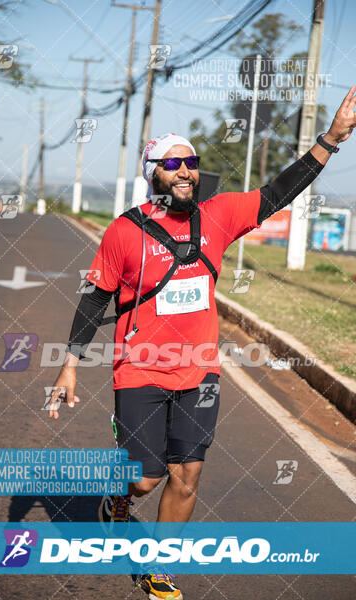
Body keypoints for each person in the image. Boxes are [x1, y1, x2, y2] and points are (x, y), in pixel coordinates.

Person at [49, 88, 356, 600]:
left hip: (199, 371)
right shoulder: (124, 233)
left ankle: (158, 567)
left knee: (186, 476)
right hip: (140, 370)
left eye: (191, 161)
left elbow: (278, 191)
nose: (186, 170)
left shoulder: (219, 215)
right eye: (173, 163)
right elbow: (93, 299)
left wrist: (332, 139)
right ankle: (116, 499)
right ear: (154, 174)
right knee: (144, 480)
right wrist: (69, 364)